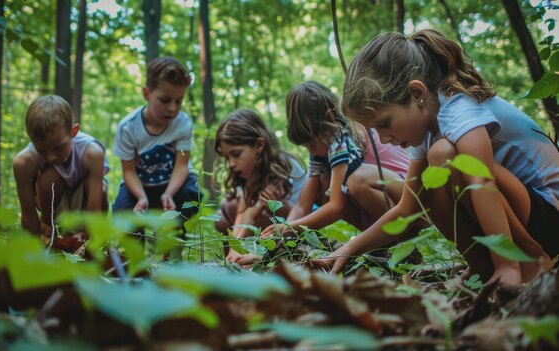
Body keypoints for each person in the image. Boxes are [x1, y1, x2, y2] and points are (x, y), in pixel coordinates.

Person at [313, 29, 559, 286]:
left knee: (443, 155)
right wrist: (348, 249)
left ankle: (529, 258)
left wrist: (506, 264)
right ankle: (480, 267)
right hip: (525, 215)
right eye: (376, 130)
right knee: (430, 175)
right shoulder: (428, 131)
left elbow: (482, 181)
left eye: (385, 124)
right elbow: (407, 208)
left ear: (417, 94)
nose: (384, 139)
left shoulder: (458, 108)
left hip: (550, 217)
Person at [261, 81, 410, 239]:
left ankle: (394, 239)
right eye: (306, 147)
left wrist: (290, 227)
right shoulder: (322, 147)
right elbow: (302, 205)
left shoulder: (340, 140)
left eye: (312, 144)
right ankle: (380, 239)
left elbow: (336, 207)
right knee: (324, 184)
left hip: (408, 196)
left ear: (330, 118)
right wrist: (280, 233)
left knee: (355, 181)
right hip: (388, 203)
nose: (311, 151)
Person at [215, 109, 307, 265]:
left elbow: (252, 212)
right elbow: (243, 210)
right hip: (272, 225)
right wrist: (234, 248)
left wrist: (237, 246)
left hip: (300, 224)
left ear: (258, 145)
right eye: (227, 156)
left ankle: (272, 258)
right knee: (223, 211)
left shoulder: (279, 166)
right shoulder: (249, 169)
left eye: (236, 154)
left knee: (268, 206)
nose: (231, 163)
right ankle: (234, 260)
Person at [112, 57, 200, 218]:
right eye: (165, 100)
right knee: (123, 214)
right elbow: (129, 171)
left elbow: (182, 164)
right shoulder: (128, 128)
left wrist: (168, 194)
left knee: (190, 193)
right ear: (147, 93)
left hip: (173, 184)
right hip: (140, 186)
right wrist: (141, 196)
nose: (172, 108)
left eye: (179, 101)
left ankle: (173, 240)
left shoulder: (182, 124)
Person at [13, 95, 109, 243]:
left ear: (73, 132)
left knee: (101, 188)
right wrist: (33, 246)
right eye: (42, 151)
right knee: (49, 176)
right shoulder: (23, 163)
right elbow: (28, 213)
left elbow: (95, 209)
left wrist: (90, 235)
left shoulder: (92, 153)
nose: (51, 157)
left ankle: (84, 236)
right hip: (50, 203)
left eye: (58, 148)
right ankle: (47, 228)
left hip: (83, 203)